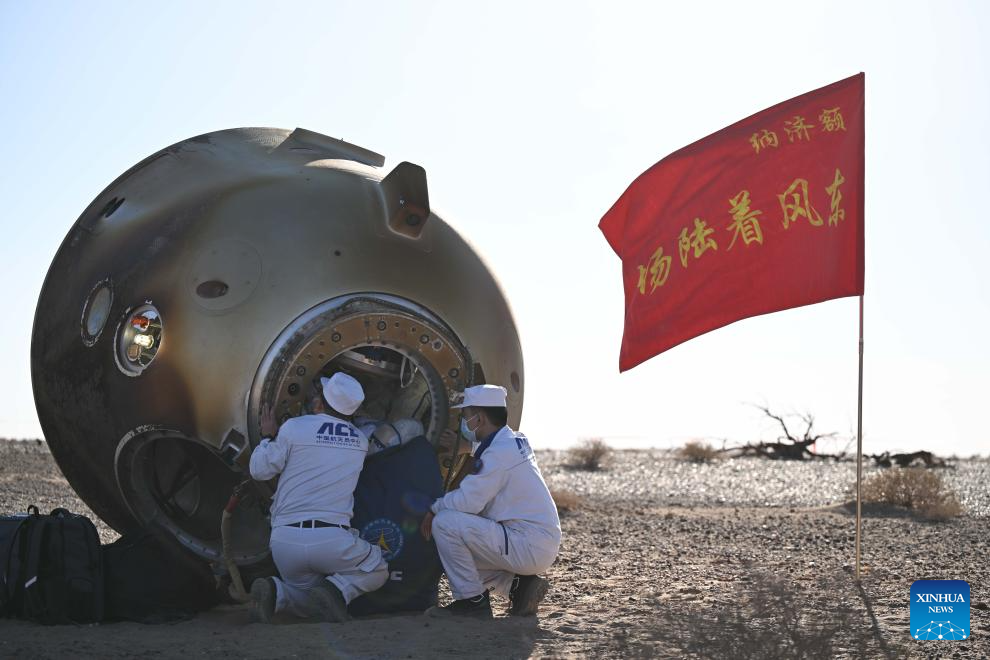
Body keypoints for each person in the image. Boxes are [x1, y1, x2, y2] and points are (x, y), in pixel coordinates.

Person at [248, 372, 388, 623]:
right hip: (331, 541)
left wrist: (268, 436)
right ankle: (337, 590)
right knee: (378, 569)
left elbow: (259, 470)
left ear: (319, 402)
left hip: (284, 542)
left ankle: (277, 593)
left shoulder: (294, 428)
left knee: (306, 594)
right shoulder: (360, 442)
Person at [420, 384, 561, 618]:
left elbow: (468, 501)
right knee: (459, 556)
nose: (463, 422)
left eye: (465, 415)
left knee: (445, 524)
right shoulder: (516, 440)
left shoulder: (496, 455)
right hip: (538, 541)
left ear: (479, 419)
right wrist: (469, 447)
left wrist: (434, 508)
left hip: (527, 544)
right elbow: (496, 453)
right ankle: (519, 587)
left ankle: (471, 602)